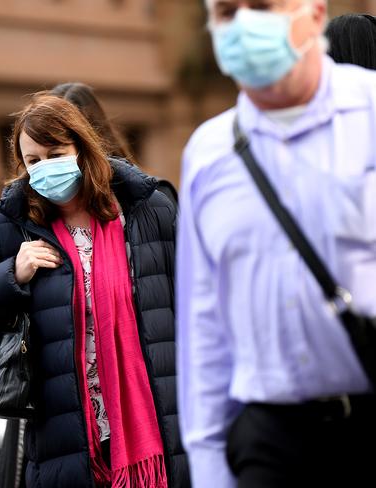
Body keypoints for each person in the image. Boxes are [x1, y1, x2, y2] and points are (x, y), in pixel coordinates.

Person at [0, 94, 189, 488]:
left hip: (160, 431)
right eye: (32, 161)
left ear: (82, 148)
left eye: (55, 153)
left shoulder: (148, 208)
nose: (43, 168)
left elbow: (197, 308)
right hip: (66, 445)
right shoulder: (12, 223)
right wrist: (11, 274)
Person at [177, 1, 376, 487]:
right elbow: (204, 329)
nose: (244, 24)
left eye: (262, 6)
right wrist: (209, 469)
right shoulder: (208, 154)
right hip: (272, 441)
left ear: (314, 14)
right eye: (226, 12)